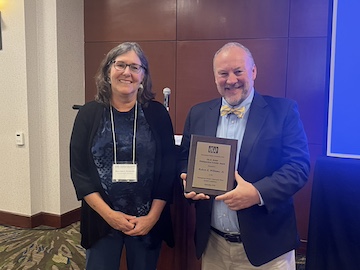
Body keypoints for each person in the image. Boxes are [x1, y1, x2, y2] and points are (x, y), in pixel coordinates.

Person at [179, 42, 310, 269]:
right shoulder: (198, 113)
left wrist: (257, 193)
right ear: (215, 76)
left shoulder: (283, 111)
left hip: (267, 249)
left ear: (253, 71)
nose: (231, 80)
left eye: (238, 71)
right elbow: (184, 157)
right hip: (213, 246)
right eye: (223, 73)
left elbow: (298, 167)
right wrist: (186, 178)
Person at [70, 42, 176, 270]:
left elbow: (168, 170)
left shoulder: (157, 114)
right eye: (120, 65)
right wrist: (110, 215)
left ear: (143, 76)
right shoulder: (88, 114)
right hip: (101, 219)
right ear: (108, 71)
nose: (127, 72)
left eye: (135, 67)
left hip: (146, 220)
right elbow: (79, 172)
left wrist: (153, 217)